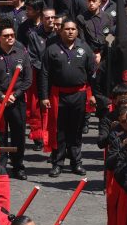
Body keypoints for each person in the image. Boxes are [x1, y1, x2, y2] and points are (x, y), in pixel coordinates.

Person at [39, 20, 97, 177]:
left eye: (73, 29)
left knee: (76, 131)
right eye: (67, 29)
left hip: (79, 95)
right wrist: (44, 97)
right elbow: (44, 74)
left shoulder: (85, 49)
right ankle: (57, 163)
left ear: (77, 31)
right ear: (61, 31)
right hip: (59, 96)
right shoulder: (52, 49)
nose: (70, 31)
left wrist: (93, 95)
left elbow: (92, 74)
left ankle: (76, 163)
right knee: (59, 131)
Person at [0, 21, 33, 180]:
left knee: (18, 134)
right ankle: (1, 166)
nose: (10, 38)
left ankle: (18, 166)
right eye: (6, 36)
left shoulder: (21, 52)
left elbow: (27, 79)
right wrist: (1, 95)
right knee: (0, 134)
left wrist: (14, 95)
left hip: (16, 100)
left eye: (12, 35)